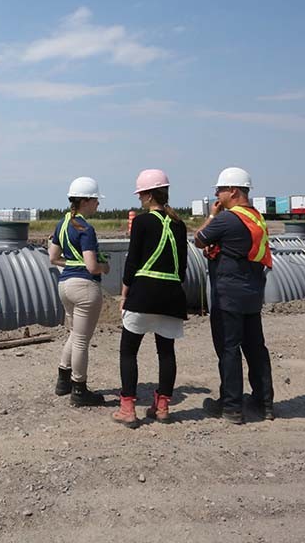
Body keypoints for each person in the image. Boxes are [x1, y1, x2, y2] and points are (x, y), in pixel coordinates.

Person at [194, 167, 274, 424]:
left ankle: (231, 407)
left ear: (233, 191)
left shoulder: (227, 219)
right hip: (252, 294)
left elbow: (199, 239)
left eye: (219, 189)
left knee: (229, 349)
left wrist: (212, 214)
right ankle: (264, 404)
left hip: (228, 295)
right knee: (255, 349)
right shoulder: (256, 218)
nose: (217, 194)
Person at [112, 170, 188, 428]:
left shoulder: (143, 223)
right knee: (166, 351)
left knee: (128, 350)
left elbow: (132, 261)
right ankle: (163, 406)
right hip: (172, 295)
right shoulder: (179, 224)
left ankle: (127, 408)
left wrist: (125, 294)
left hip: (144, 293)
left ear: (147, 194)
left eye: (141, 194)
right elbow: (183, 267)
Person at [48, 176, 110, 406]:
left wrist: (72, 265)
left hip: (65, 285)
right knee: (82, 340)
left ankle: (63, 381)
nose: (98, 204)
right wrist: (105, 266)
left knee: (74, 334)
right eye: (95, 200)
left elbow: (53, 257)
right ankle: (79, 389)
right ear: (85, 201)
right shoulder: (85, 228)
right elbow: (92, 266)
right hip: (85, 286)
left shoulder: (62, 224)